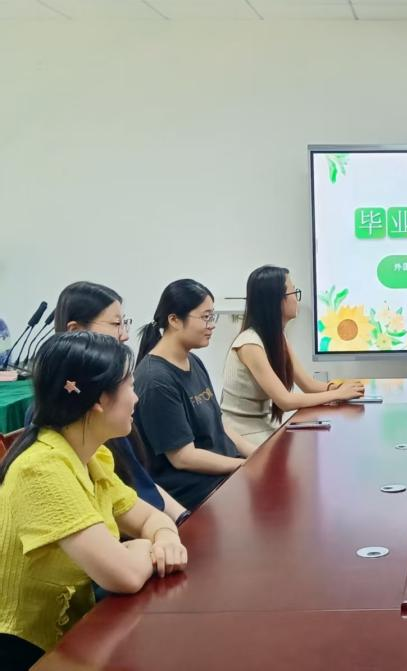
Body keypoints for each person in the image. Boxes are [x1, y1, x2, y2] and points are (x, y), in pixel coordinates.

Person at [0, 333, 188, 670]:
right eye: (130, 386)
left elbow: (152, 518)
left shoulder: (90, 456)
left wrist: (164, 538)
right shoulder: (41, 470)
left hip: (76, 632)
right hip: (26, 647)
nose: (136, 398)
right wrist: (148, 547)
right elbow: (124, 576)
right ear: (100, 399)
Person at [23, 282, 188, 524]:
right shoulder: (66, 421)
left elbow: (139, 482)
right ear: (75, 330)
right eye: (115, 324)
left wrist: (180, 518)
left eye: (124, 322)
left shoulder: (108, 412)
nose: (125, 334)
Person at [134, 279, 252, 510]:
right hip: (196, 490)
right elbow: (183, 457)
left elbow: (219, 426)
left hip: (222, 474)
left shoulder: (193, 361)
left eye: (212, 316)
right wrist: (244, 466)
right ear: (174, 320)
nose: (212, 325)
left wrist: (258, 456)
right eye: (206, 317)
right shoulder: (156, 380)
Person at [221, 266, 364, 439]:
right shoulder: (250, 344)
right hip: (242, 433)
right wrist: (337, 394)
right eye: (294, 292)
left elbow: (308, 385)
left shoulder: (277, 337)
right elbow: (285, 401)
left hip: (264, 427)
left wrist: (340, 388)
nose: (297, 299)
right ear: (276, 300)